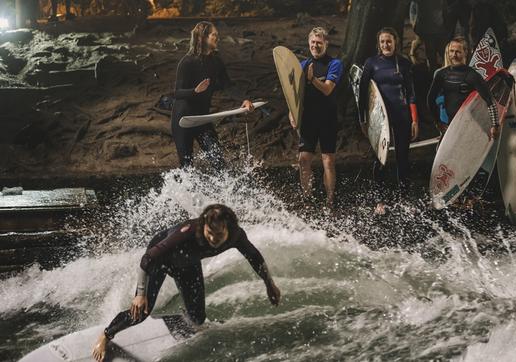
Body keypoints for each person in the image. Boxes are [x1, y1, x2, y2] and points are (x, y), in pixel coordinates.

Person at [91, 204, 281, 362]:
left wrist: (269, 284)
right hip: (160, 261)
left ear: (228, 228)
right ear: (203, 226)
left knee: (197, 318)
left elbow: (254, 257)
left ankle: (183, 315)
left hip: (187, 264)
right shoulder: (187, 233)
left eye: (219, 234)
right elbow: (148, 259)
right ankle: (106, 335)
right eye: (209, 233)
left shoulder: (236, 236)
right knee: (141, 313)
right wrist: (140, 295)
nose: (214, 239)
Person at [171, 21, 254, 169]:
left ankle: (224, 191)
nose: (217, 38)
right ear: (203, 38)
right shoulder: (187, 62)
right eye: (214, 35)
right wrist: (195, 91)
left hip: (202, 118)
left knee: (218, 161)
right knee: (186, 166)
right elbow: (177, 93)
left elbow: (228, 85)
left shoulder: (216, 61)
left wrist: (244, 100)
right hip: (184, 119)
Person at [359, 27, 419, 214]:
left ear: (395, 42)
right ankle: (379, 201)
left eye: (389, 41)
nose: (386, 44)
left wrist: (414, 120)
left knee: (403, 157)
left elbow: (411, 94)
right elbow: (362, 94)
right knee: (380, 158)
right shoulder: (371, 64)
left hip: (401, 114)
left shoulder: (404, 63)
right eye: (382, 41)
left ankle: (404, 199)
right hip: (379, 118)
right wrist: (363, 120)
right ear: (378, 43)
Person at [290, 27, 343, 208]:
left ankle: (330, 200)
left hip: (328, 119)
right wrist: (292, 111)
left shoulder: (335, 64)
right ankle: (307, 198)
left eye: (319, 42)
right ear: (309, 43)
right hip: (309, 119)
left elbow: (328, 89)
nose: (315, 45)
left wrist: (312, 79)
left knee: (328, 160)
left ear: (326, 43)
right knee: (303, 159)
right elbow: (296, 94)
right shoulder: (303, 66)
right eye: (313, 42)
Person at [426, 36, 499, 139]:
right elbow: (430, 99)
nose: (453, 55)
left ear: (465, 52)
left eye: (458, 52)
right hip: (451, 126)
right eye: (451, 51)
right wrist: (438, 122)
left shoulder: (472, 75)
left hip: (471, 126)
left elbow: (490, 101)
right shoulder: (442, 74)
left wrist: (495, 125)